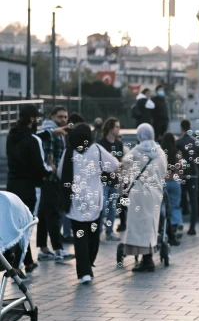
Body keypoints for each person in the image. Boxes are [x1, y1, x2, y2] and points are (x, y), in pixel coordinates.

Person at [57, 123, 119, 284]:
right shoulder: (96, 149)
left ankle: (84, 271)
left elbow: (60, 173)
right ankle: (89, 262)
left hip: (75, 201)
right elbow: (114, 165)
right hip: (94, 200)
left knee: (80, 237)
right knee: (93, 235)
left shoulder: (68, 151)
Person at [6, 104, 53, 275]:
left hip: (12, 186)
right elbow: (39, 168)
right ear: (32, 119)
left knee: (14, 226)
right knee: (26, 227)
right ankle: (16, 267)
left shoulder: (11, 136)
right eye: (36, 118)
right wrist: (50, 168)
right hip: (30, 188)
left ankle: (29, 262)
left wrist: (52, 132)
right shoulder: (34, 140)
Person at [120, 123, 167, 272]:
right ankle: (149, 257)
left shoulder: (136, 151)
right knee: (151, 225)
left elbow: (124, 168)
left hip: (139, 194)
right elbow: (163, 172)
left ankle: (146, 260)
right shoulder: (160, 152)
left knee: (138, 226)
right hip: (155, 194)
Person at [36, 105, 74, 263]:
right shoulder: (51, 132)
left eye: (65, 117)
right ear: (52, 117)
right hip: (51, 179)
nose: (63, 120)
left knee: (44, 214)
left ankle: (43, 248)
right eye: (60, 117)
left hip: (50, 179)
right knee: (53, 214)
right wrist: (52, 168)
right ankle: (58, 249)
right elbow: (48, 153)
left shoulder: (54, 131)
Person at [98, 117, 125, 241]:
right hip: (103, 180)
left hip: (114, 181)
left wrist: (119, 169)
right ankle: (98, 231)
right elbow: (99, 163)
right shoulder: (101, 144)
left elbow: (120, 161)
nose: (119, 129)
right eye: (117, 127)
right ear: (110, 128)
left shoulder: (118, 144)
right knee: (102, 207)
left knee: (112, 208)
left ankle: (109, 231)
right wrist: (110, 169)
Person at [176, 119, 199, 236]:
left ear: (181, 128)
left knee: (179, 199)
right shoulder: (195, 142)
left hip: (182, 175)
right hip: (194, 174)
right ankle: (192, 227)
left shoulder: (178, 142)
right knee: (194, 200)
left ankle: (179, 223)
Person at [161, 131, 184, 244]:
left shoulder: (161, 153)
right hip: (175, 182)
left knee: (164, 207)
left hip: (163, 182)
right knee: (176, 205)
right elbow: (180, 168)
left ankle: (166, 228)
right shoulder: (177, 152)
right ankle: (177, 224)